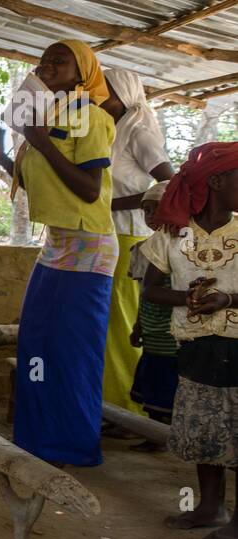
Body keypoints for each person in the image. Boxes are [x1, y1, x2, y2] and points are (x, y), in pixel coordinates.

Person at [0, 39, 117, 467]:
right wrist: (0, 154)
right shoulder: (48, 117)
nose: (48, 64)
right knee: (36, 343)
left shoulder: (90, 117)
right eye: (44, 59)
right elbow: (39, 182)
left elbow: (90, 189)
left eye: (61, 59)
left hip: (88, 244)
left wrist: (40, 142)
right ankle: (37, 439)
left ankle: (72, 445)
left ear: (84, 72)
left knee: (72, 350)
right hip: (56, 244)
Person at [139, 143, 238, 539]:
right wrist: (187, 299)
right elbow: (150, 290)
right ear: (216, 182)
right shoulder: (172, 236)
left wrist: (226, 301)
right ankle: (210, 507)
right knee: (206, 428)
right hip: (197, 346)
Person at [101, 68, 174, 416]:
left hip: (131, 235)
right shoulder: (109, 131)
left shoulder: (139, 131)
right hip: (108, 233)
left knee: (123, 322)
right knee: (109, 322)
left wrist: (109, 204)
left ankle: (128, 407)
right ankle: (113, 403)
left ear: (124, 94)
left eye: (105, 90)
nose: (97, 96)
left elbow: (169, 184)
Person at [127, 181, 176, 440]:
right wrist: (138, 326)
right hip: (153, 332)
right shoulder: (140, 250)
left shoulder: (183, 249)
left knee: (169, 384)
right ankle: (154, 435)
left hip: (173, 335)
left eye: (155, 209)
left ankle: (165, 437)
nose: (150, 216)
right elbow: (142, 296)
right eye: (146, 211)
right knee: (152, 383)